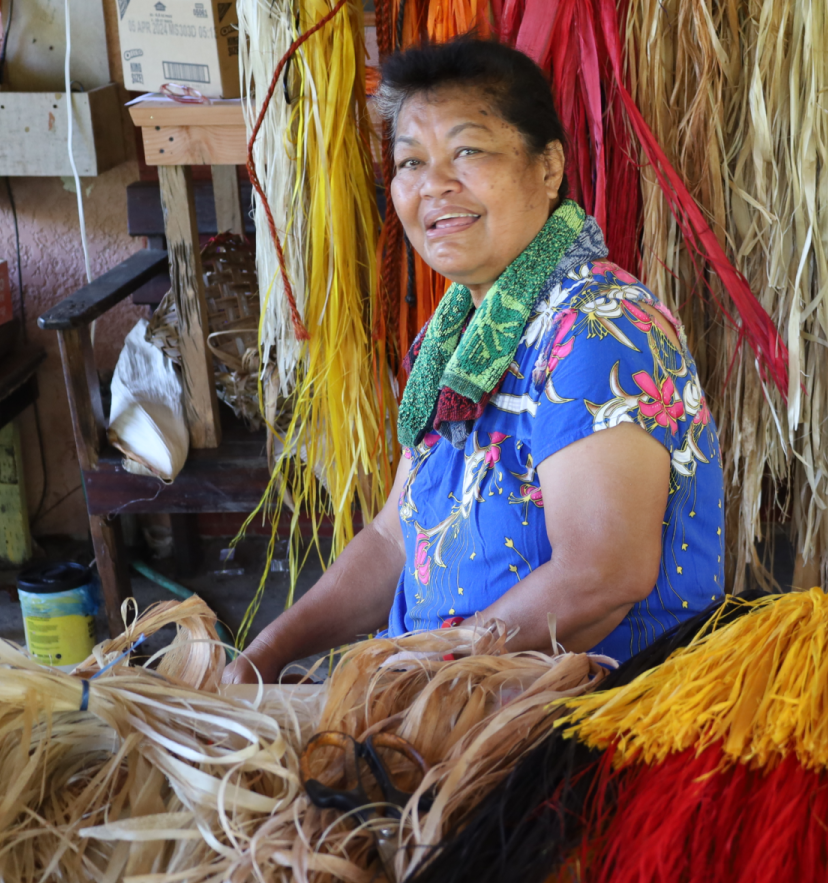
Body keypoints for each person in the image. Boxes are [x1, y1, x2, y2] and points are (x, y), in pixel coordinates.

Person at [226, 37, 724, 683]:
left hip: (580, 724)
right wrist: (264, 655)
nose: (433, 184)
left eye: (468, 151)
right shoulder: (457, 331)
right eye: (410, 162)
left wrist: (423, 673)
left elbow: (603, 575)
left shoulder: (599, 327)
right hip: (442, 692)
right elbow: (392, 540)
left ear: (548, 168)